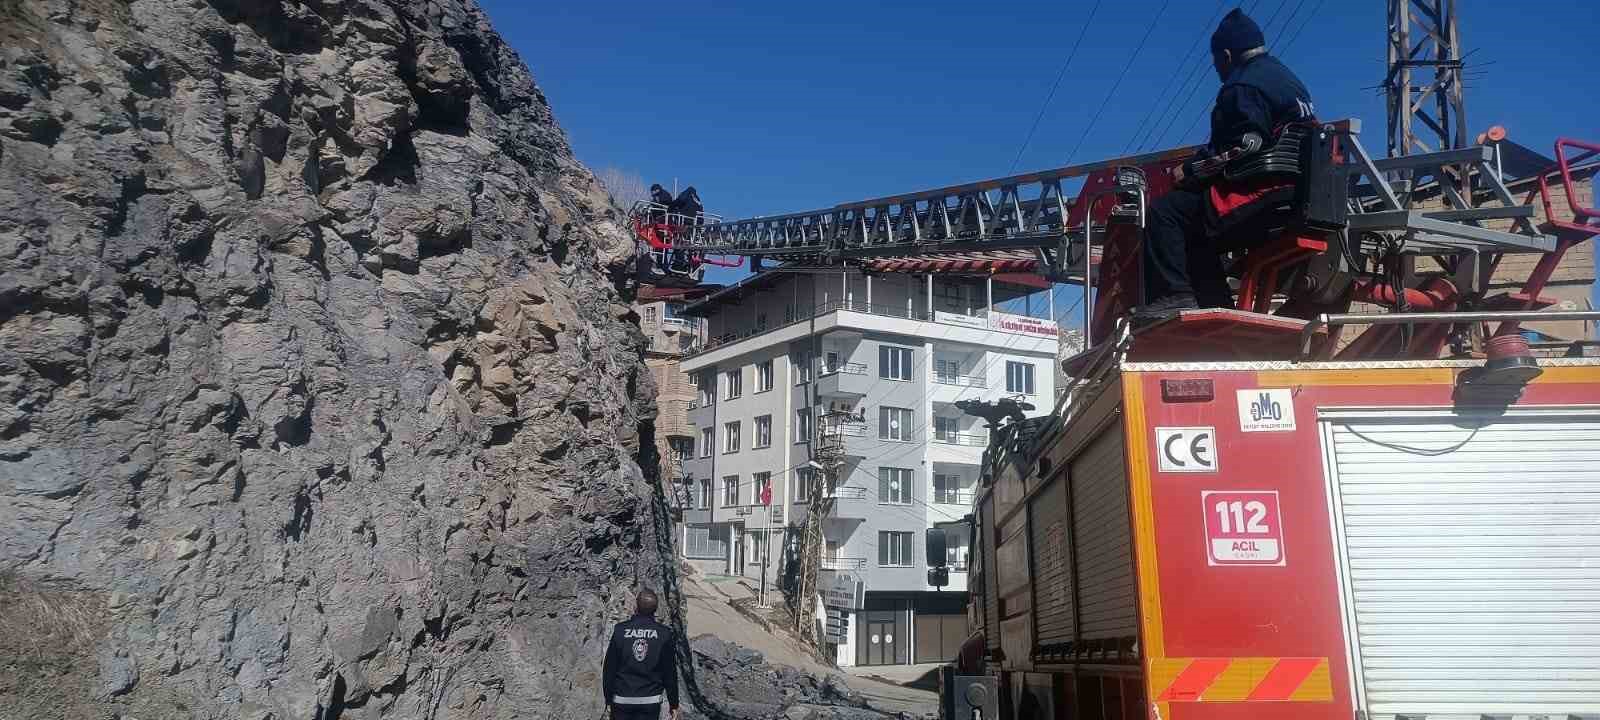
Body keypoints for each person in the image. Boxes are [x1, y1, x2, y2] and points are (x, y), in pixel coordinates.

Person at [1135, 8, 1315, 325]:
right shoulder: (1288, 80)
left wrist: (1189, 171)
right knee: (1196, 225)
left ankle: (1173, 297)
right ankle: (1215, 304)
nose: (1217, 70)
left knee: (1167, 213)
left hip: (1260, 194)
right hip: (1296, 192)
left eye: (1217, 62)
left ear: (1227, 55)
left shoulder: (1241, 87)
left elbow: (1245, 145)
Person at [602, 589, 681, 720]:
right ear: (655, 610)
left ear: (636, 607)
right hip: (650, 702)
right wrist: (674, 704)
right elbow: (670, 673)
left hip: (622, 701)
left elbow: (609, 669)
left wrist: (608, 699)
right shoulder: (664, 634)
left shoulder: (620, 630)